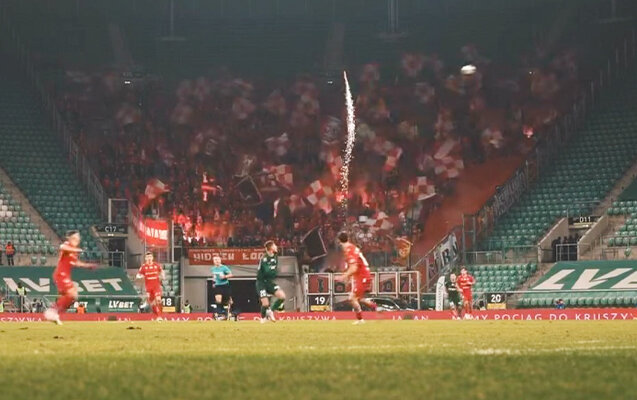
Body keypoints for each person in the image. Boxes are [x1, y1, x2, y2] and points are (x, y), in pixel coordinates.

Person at [44, 231, 98, 325]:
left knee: (73, 296)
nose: (77, 240)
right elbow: (62, 247)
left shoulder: (73, 250)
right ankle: (52, 311)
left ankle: (54, 314)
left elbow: (76, 262)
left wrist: (87, 266)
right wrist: (77, 250)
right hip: (61, 275)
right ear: (69, 238)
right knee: (72, 294)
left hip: (65, 276)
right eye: (74, 238)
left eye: (78, 238)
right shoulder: (67, 245)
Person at [335, 232, 377, 325]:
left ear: (339, 241)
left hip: (362, 276)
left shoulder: (349, 249)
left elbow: (354, 268)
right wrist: (348, 277)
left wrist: (344, 276)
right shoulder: (352, 247)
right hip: (362, 275)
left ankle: (360, 319)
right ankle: (374, 306)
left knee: (352, 298)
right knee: (358, 298)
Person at [256, 240, 286, 323]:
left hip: (269, 282)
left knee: (282, 296)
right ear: (271, 248)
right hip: (261, 282)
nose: (276, 247)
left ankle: (271, 311)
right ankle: (262, 318)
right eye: (274, 246)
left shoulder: (275, 255)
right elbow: (267, 271)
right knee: (265, 304)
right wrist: (273, 270)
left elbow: (271, 271)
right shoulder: (264, 259)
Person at [136, 252, 166, 321]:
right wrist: (139, 277)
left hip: (156, 286)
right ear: (145, 258)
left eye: (150, 257)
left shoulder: (156, 265)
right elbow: (138, 275)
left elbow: (161, 271)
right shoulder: (143, 267)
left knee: (158, 299)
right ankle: (158, 314)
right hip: (148, 288)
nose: (149, 258)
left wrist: (163, 275)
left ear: (152, 258)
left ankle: (159, 316)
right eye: (148, 257)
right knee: (152, 303)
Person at [210, 255, 233, 320]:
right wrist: (213, 282)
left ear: (220, 260)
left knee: (227, 301)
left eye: (217, 259)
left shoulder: (224, 268)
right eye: (215, 260)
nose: (216, 261)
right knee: (218, 299)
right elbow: (214, 276)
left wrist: (224, 276)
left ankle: (226, 313)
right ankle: (219, 313)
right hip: (218, 285)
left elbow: (231, 274)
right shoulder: (213, 268)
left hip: (225, 285)